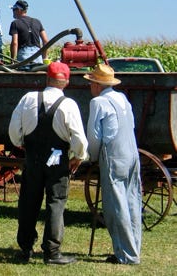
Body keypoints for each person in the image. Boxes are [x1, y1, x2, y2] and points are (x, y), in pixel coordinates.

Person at [8, 61, 88, 265]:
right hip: (58, 161)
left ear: (47, 79)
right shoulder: (69, 105)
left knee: (28, 203)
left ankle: (25, 249)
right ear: (66, 82)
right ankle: (52, 252)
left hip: (33, 158)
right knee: (56, 204)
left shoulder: (28, 98)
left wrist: (22, 144)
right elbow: (79, 138)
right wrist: (78, 156)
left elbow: (13, 130)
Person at [83, 64, 141, 265]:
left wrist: (92, 156)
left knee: (115, 206)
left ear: (97, 85)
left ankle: (126, 254)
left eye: (91, 82)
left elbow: (94, 135)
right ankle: (133, 247)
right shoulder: (122, 98)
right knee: (132, 200)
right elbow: (131, 125)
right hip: (132, 152)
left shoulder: (97, 102)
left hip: (114, 153)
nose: (90, 86)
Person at [8, 0, 49, 67]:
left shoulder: (15, 23)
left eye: (14, 10)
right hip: (37, 55)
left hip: (23, 55)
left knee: (23, 76)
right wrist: (44, 58)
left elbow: (14, 43)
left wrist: (12, 61)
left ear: (18, 10)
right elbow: (46, 41)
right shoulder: (37, 22)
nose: (13, 12)